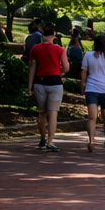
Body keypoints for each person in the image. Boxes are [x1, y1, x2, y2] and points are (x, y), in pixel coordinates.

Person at [27, 24, 68, 152]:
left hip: (40, 82)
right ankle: (51, 141)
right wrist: (60, 71)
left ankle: (42, 138)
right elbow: (66, 67)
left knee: (42, 112)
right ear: (54, 34)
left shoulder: (35, 48)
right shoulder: (60, 50)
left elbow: (32, 67)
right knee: (53, 113)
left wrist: (29, 87)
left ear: (42, 34)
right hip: (55, 82)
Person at [80, 33, 105, 153]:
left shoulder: (88, 55)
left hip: (92, 88)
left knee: (92, 117)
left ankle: (91, 140)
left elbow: (84, 71)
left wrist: (83, 83)